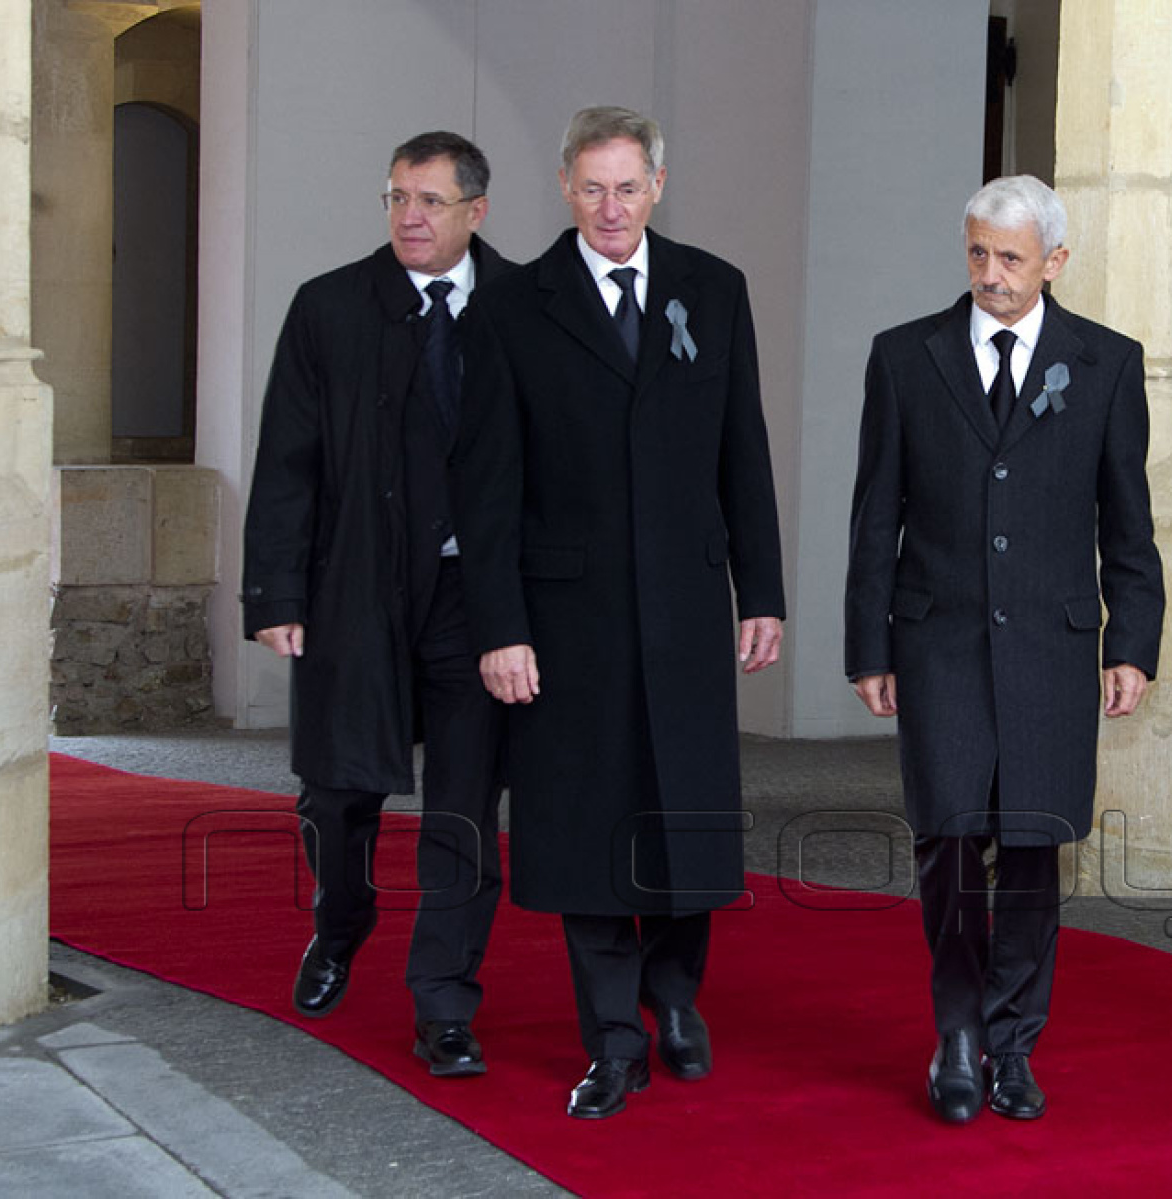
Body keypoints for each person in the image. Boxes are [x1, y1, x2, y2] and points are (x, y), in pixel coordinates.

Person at [452, 106, 785, 1120]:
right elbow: (486, 489)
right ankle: (612, 1038)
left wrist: (762, 592)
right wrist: (500, 625)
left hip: (685, 603)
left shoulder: (713, 290)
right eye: (593, 188)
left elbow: (743, 451)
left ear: (658, 186)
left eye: (628, 187)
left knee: (686, 818)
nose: (611, 207)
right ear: (565, 187)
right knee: (587, 826)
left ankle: (672, 996)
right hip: (568, 619)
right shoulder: (511, 308)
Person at [844, 175, 1165, 1123]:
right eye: (979, 253)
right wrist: (868, 646)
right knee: (946, 837)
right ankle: (958, 1033)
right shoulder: (904, 357)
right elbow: (875, 516)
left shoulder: (1107, 362)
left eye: (1012, 257)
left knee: (1030, 850)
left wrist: (1132, 642)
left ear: (1054, 262)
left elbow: (1129, 522)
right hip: (936, 638)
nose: (991, 273)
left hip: (1052, 648)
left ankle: (1014, 1043)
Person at [241, 131, 514, 1080]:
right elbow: (287, 460)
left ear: (476, 211)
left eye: (431, 200)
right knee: (338, 785)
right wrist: (276, 590)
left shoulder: (525, 306)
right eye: (398, 196)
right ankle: (341, 919)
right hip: (353, 586)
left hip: (475, 600)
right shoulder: (328, 307)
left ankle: (444, 1002)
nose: (410, 215)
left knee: (465, 802)